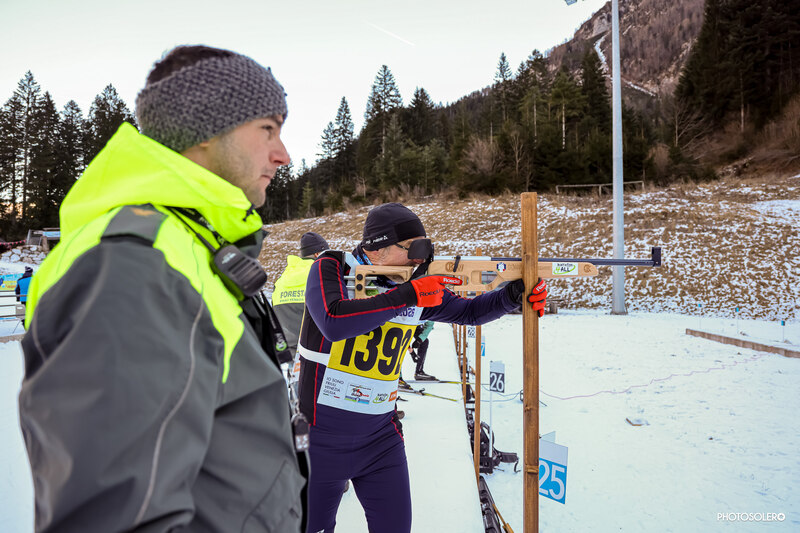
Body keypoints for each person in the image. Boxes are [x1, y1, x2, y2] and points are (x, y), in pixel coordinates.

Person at [18, 45, 307, 532]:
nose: (283, 154)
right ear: (204, 129)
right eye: (267, 129)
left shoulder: (189, 247)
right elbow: (114, 515)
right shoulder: (134, 261)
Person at [295, 202, 547, 533]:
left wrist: (513, 295)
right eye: (412, 249)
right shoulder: (332, 267)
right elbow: (333, 321)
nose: (419, 260)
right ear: (379, 248)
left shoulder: (413, 287)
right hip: (319, 440)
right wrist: (407, 295)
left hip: (380, 441)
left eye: (424, 250)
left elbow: (469, 313)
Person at [273, 231, 329, 363]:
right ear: (317, 254)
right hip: (317, 351)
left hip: (290, 351)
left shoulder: (284, 276)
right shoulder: (321, 271)